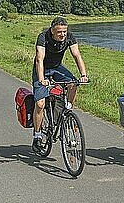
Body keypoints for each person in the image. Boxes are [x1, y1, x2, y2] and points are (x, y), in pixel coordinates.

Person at [31, 16, 89, 152]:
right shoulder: (43, 37)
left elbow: (77, 55)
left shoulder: (69, 37)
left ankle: (67, 108)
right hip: (42, 70)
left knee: (73, 83)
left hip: (57, 67)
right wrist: (41, 79)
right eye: (59, 32)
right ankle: (37, 136)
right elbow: (40, 60)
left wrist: (84, 75)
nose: (62, 34)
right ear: (52, 31)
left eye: (64, 31)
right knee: (40, 104)